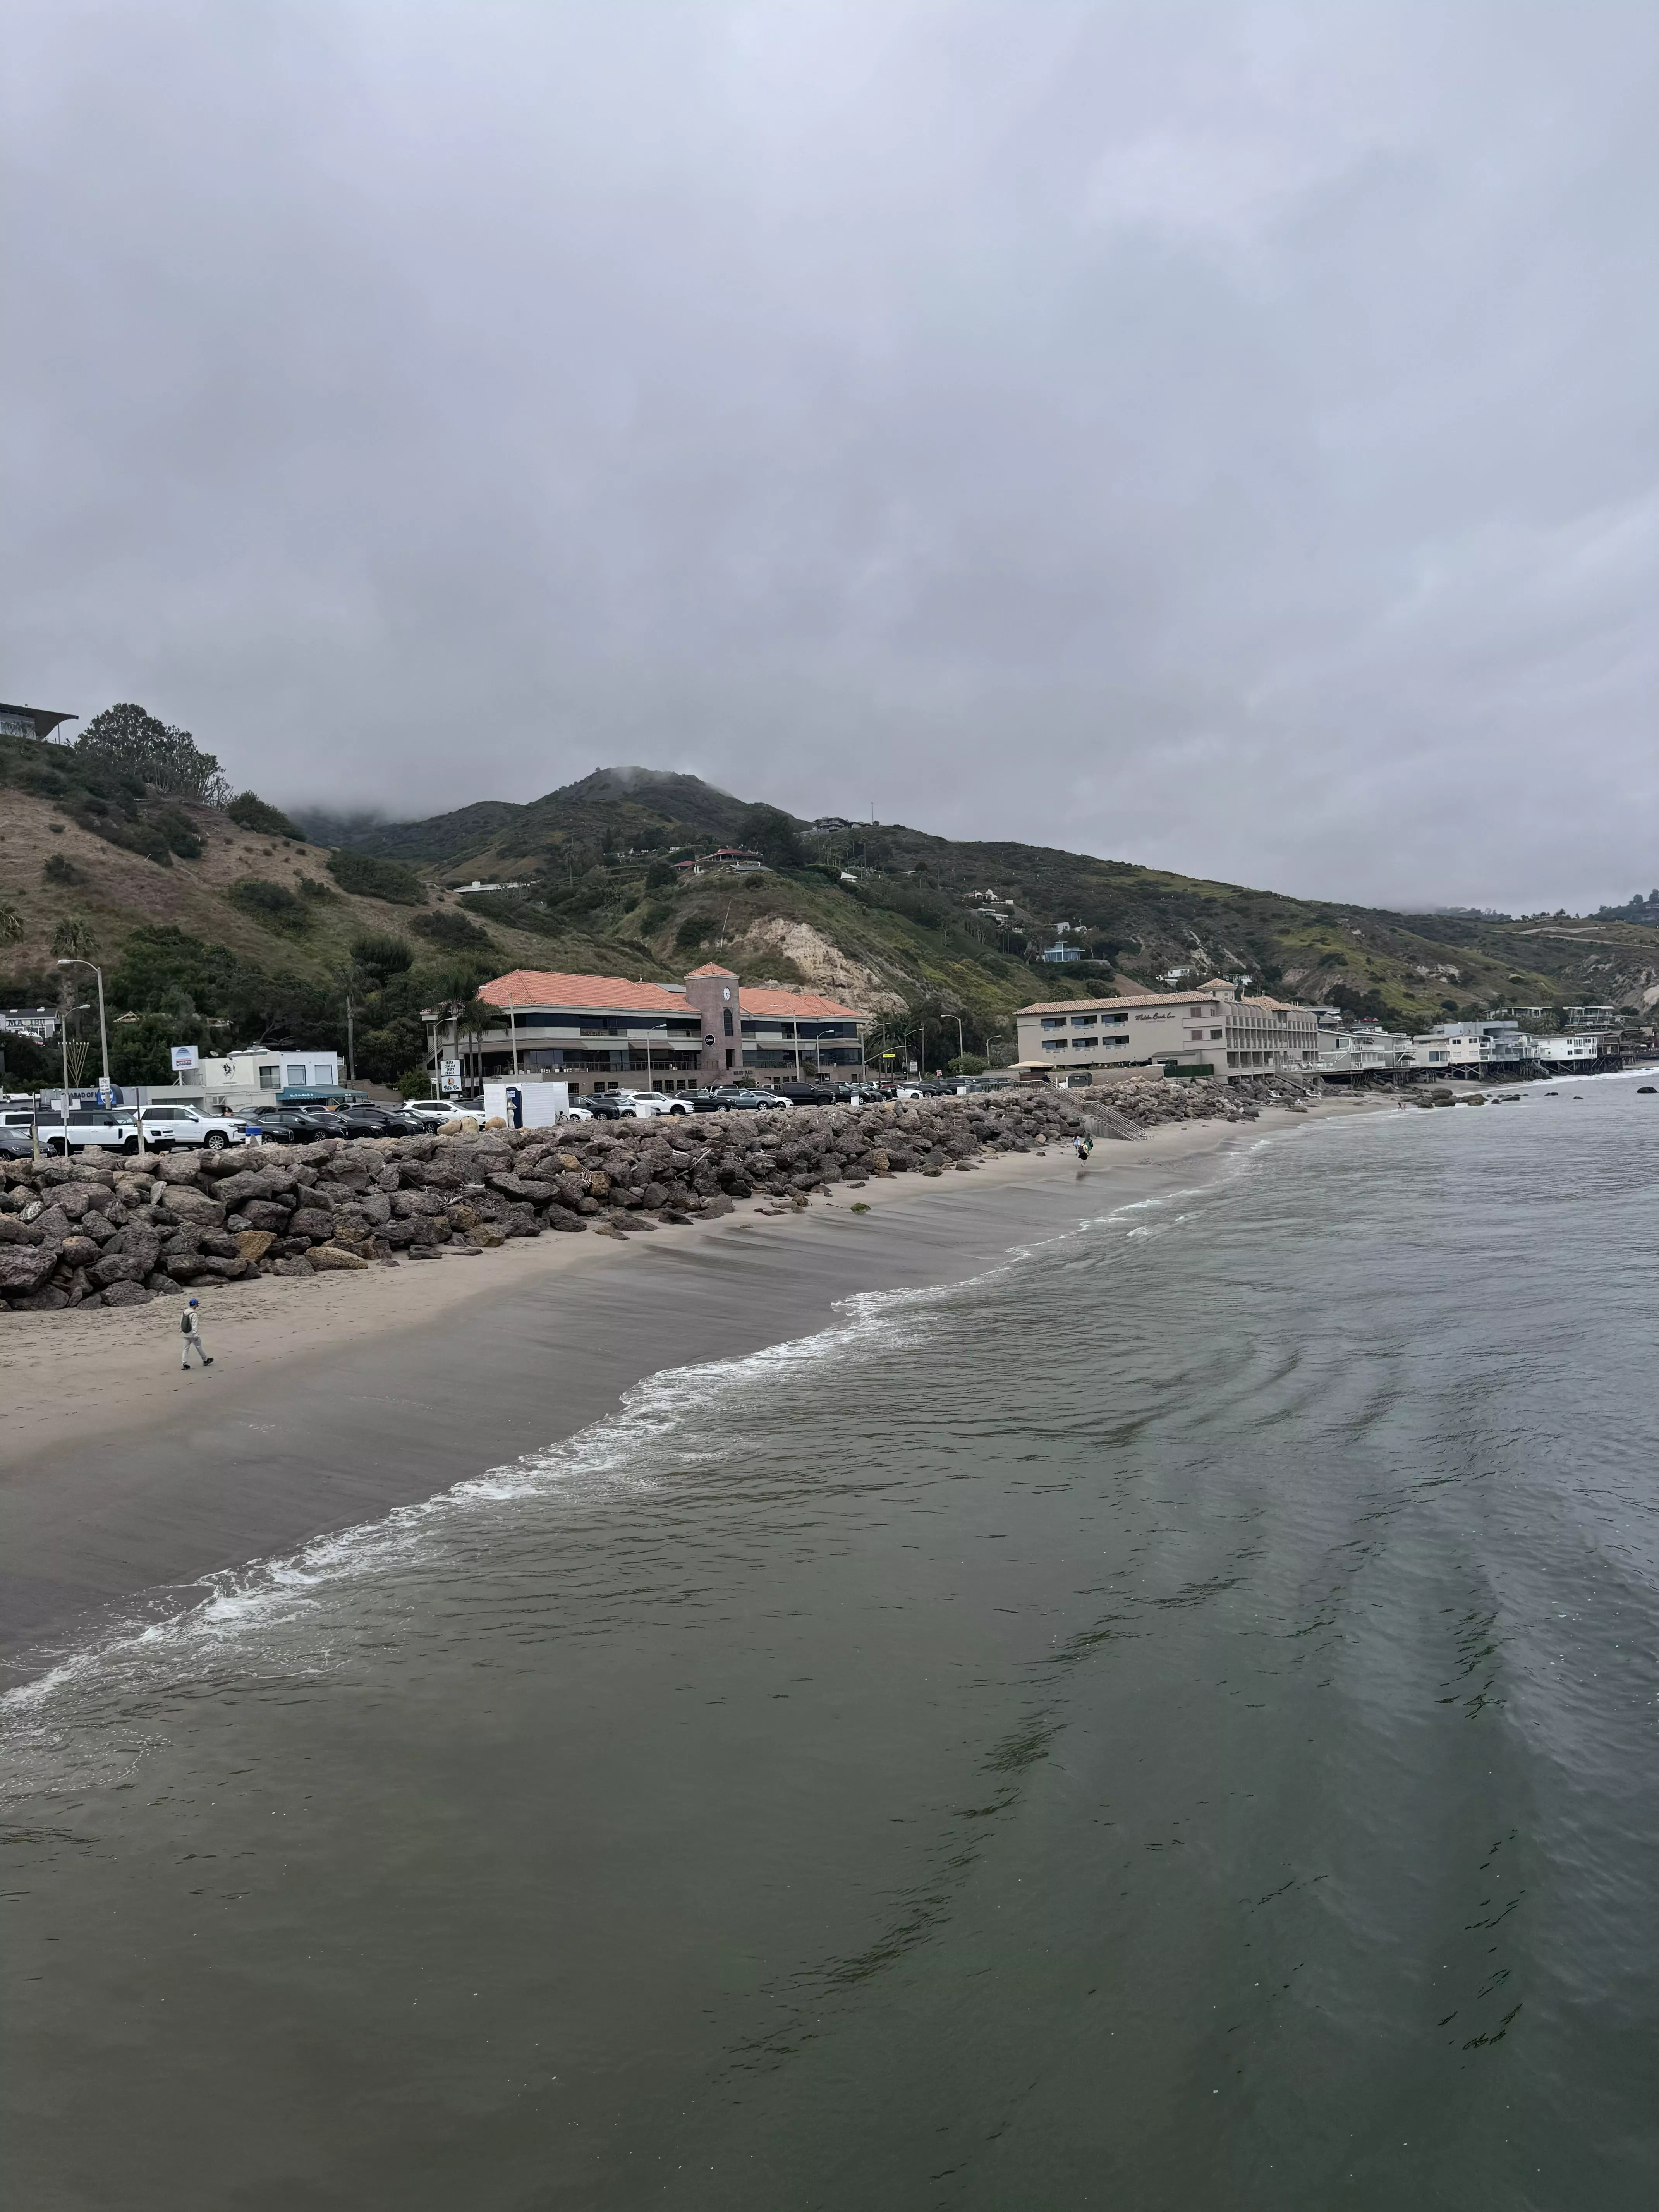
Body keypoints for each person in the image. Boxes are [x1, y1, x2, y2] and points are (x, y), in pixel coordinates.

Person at [180, 1295, 213, 1370]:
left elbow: (181, 1322)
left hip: (185, 1333)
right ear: (195, 1305)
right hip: (192, 1334)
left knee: (185, 1349)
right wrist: (196, 1335)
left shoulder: (184, 1312)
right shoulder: (194, 1314)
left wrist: (181, 1330)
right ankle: (205, 1360)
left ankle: (185, 1364)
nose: (197, 1307)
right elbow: (194, 1325)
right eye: (197, 1305)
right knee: (199, 1347)